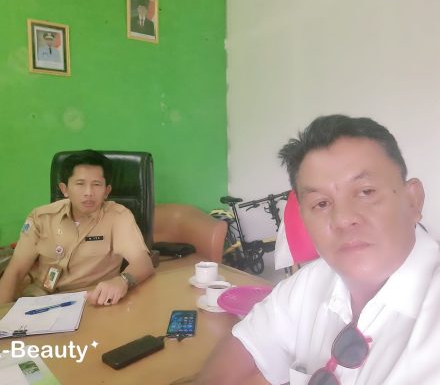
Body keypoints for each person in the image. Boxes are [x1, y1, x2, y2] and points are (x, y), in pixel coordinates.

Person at [196, 114, 440, 385]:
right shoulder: (309, 284)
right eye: (321, 204)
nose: (343, 219)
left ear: (413, 200)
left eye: (366, 192)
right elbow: (233, 364)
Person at [0, 150, 154, 306]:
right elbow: (15, 271)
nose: (88, 193)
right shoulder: (41, 217)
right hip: (40, 299)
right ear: (64, 189)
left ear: (106, 191)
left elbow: (143, 262)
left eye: (96, 185)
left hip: (91, 300)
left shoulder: (118, 216)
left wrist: (122, 281)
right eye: (80, 184)